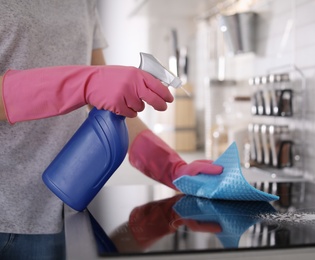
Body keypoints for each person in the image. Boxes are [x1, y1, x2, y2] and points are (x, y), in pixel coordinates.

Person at [0, 1, 223, 259]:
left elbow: (109, 105)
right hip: (8, 218)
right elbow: (91, 85)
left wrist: (171, 167)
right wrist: (84, 83)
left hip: (71, 206)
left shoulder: (84, 3)